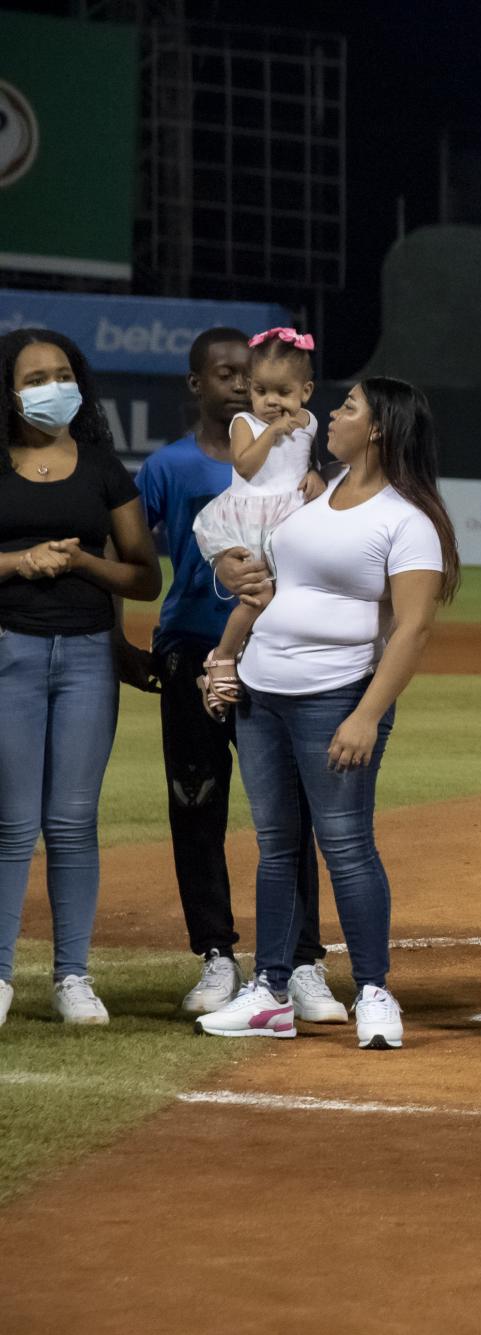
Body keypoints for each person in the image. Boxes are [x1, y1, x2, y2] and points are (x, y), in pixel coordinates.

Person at [195, 378, 459, 1050]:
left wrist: (368, 714)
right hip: (261, 696)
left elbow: (412, 629)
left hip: (336, 698)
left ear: (377, 430)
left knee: (346, 846)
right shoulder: (313, 501)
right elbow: (269, 593)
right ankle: (271, 992)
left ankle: (373, 990)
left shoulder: (407, 521)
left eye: (347, 407)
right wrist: (224, 661)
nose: (332, 416)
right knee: (277, 847)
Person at [128, 327, 336, 1021]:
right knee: (197, 803)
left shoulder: (301, 446)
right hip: (191, 642)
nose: (247, 386)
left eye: (256, 375)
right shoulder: (169, 468)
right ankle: (216, 952)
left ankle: (301, 959)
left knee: (292, 811)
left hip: (281, 646)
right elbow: (131, 557)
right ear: (203, 385)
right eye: (231, 375)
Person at [0, 329, 163, 1027]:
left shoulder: (102, 467)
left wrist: (80, 565)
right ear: (9, 391)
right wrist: (19, 563)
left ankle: (72, 976)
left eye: (62, 373)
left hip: (89, 657)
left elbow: (144, 572)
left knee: (72, 823)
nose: (51, 387)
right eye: (34, 377)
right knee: (11, 824)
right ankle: (1, 976)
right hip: (10, 650)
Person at [189, 327, 327, 716]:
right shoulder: (244, 424)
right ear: (250, 389)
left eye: (283, 392)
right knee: (258, 596)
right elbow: (245, 466)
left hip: (292, 518)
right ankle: (222, 658)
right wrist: (272, 431)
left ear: (306, 391)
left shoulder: (311, 423)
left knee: (289, 598)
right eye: (261, 391)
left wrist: (315, 474)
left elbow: (305, 462)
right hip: (252, 518)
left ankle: (255, 662)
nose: (271, 401)